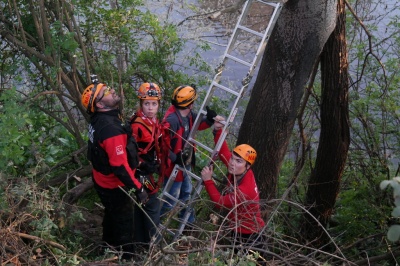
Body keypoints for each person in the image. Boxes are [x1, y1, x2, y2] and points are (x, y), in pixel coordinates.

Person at [81, 77, 149, 260]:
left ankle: (107, 246)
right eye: (106, 92)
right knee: (125, 221)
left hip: (102, 181)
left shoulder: (102, 119)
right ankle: (128, 257)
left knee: (112, 214)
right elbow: (119, 166)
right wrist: (139, 188)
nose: (111, 90)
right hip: (113, 186)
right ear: (100, 104)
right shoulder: (110, 129)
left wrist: (140, 164)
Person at [200, 126, 266, 263]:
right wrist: (218, 131)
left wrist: (208, 181)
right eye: (233, 159)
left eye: (238, 161)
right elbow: (224, 152)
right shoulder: (240, 169)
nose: (232, 163)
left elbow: (220, 202)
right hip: (238, 229)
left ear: (247, 166)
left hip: (250, 236)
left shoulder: (244, 190)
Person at [160, 85, 219, 224]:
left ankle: (188, 225)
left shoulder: (188, 115)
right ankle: (155, 226)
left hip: (185, 164)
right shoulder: (172, 121)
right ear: (190, 104)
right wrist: (175, 159)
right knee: (169, 201)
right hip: (173, 169)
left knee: (186, 195)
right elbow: (161, 145)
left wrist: (209, 120)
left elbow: (198, 124)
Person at [129, 82, 163, 252]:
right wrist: (144, 165)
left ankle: (141, 244)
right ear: (141, 104)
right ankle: (154, 247)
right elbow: (130, 154)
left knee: (141, 207)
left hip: (146, 168)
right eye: (147, 104)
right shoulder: (137, 125)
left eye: (154, 104)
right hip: (140, 172)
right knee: (152, 204)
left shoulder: (152, 121)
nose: (150, 108)